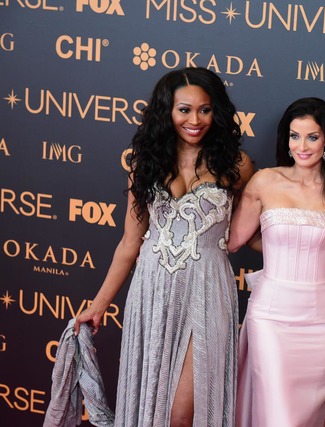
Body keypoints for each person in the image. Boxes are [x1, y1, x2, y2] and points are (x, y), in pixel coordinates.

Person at [74, 67, 254, 426]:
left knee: (180, 413)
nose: (195, 119)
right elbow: (130, 241)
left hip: (207, 291)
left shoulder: (237, 165)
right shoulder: (145, 164)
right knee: (152, 409)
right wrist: (98, 305)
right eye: (184, 109)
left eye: (205, 109)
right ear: (166, 111)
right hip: (153, 291)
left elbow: (259, 230)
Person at [228, 97, 325, 427]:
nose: (303, 145)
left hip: (323, 320)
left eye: (312, 137)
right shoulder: (265, 181)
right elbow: (233, 239)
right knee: (277, 415)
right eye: (294, 136)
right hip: (270, 316)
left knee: (309, 416)